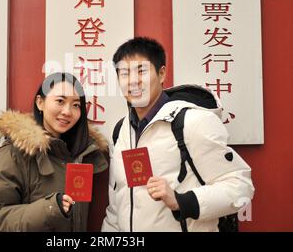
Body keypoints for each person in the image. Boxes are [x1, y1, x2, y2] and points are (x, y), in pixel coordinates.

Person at [101, 37, 254, 232]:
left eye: (141, 71)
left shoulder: (192, 122)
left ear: (162, 73)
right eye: (124, 73)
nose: (132, 81)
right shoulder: (120, 131)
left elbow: (240, 186)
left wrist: (182, 201)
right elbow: (117, 204)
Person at [0, 72, 108, 231]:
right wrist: (50, 208)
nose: (67, 111)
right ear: (40, 102)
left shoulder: (84, 153)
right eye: (60, 101)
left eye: (76, 105)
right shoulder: (15, 152)